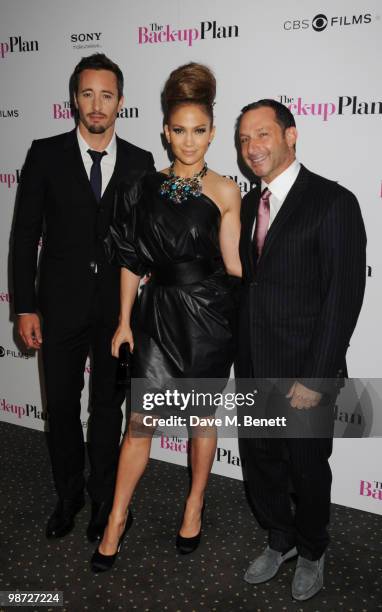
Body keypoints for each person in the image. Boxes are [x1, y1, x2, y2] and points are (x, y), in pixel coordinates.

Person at [90, 62, 241, 572]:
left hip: (207, 317)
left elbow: (234, 265)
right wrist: (124, 321)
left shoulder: (225, 190)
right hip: (157, 318)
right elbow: (133, 261)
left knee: (201, 420)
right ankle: (115, 518)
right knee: (139, 424)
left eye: (200, 131)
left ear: (213, 133)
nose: (190, 141)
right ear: (165, 131)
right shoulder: (142, 188)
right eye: (180, 130)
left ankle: (194, 504)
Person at [12, 53, 155, 542]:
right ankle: (69, 495)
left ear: (121, 102)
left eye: (107, 95)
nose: (97, 105)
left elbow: (144, 240)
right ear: (74, 98)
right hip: (57, 308)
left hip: (117, 314)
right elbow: (24, 234)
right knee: (62, 409)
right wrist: (25, 306)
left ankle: (103, 502)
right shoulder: (45, 153)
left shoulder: (140, 163)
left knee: (107, 408)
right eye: (88, 93)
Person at [235, 99, 366, 601]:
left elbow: (343, 296)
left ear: (292, 135)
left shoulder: (333, 202)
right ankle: (280, 538)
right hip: (254, 366)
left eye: (263, 134)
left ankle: (313, 549)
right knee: (261, 463)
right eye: (244, 139)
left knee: (307, 468)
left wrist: (316, 376)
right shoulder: (248, 205)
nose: (252, 148)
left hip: (306, 370)